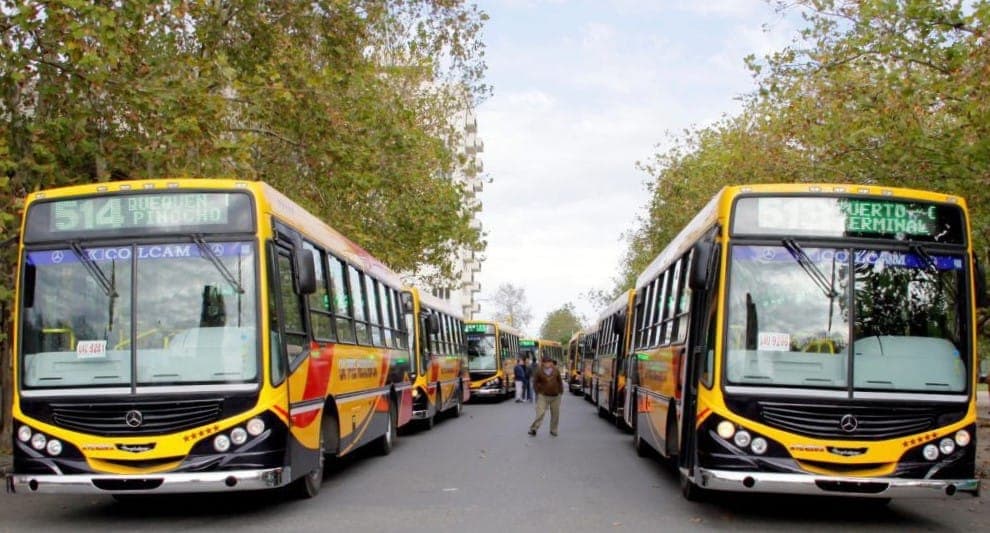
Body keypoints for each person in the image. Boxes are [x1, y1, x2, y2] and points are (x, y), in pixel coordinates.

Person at [528, 355, 564, 437]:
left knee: (555, 414)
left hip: (555, 396)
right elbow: (535, 382)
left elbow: (559, 381)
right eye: (546, 362)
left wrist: (560, 391)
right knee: (540, 413)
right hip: (543, 395)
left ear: (551, 363)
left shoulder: (556, 370)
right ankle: (534, 428)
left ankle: (553, 430)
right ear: (543, 363)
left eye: (549, 362)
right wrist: (538, 391)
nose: (548, 364)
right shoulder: (539, 371)